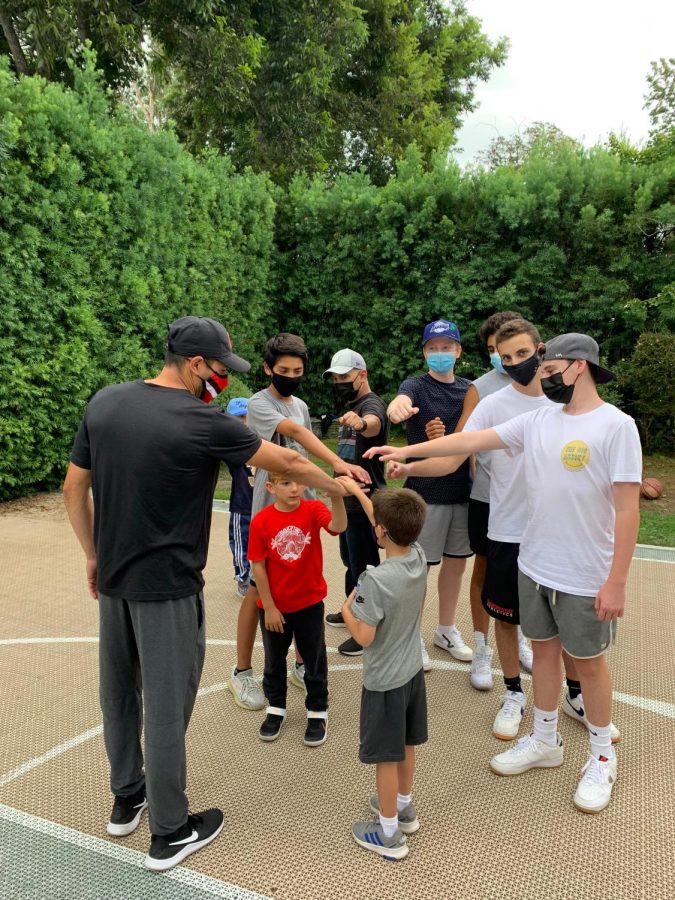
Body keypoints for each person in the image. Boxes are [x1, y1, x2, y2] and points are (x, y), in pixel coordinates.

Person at [63, 316, 347, 871]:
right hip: (166, 589)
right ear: (195, 364)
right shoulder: (202, 420)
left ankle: (128, 798)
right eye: (220, 369)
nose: (223, 380)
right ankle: (170, 831)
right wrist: (340, 478)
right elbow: (287, 461)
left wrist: (93, 554)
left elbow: (75, 486)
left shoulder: (106, 402)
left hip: (117, 581)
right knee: (166, 710)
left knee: (119, 694)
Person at [366, 332, 641, 814]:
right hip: (535, 562)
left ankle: (600, 756)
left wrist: (616, 579)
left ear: (579, 367)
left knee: (590, 662)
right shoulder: (540, 420)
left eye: (551, 369)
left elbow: (626, 510)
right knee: (548, 654)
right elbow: (471, 438)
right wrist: (406, 454)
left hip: (585, 572)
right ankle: (546, 739)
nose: (543, 376)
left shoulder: (616, 426)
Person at [228, 333, 369, 711]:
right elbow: (294, 436)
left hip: (301, 508)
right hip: (269, 510)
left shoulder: (302, 405)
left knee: (303, 581)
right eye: (283, 370)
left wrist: (320, 490)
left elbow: (301, 450)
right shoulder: (260, 404)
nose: (291, 376)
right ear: (268, 369)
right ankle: (242, 672)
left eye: (298, 371)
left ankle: (302, 665)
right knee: (261, 591)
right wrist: (337, 466)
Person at [338, 480, 428, 860]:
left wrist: (346, 610)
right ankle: (403, 808)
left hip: (383, 683)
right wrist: (360, 494)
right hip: (411, 675)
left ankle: (389, 833)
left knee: (384, 758)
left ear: (379, 532)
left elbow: (364, 637)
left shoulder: (375, 580)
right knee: (405, 745)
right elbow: (387, 522)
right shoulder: (419, 557)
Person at [387, 319, 473, 667]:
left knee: (455, 566)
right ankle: (411, 637)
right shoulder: (415, 385)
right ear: (424, 352)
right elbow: (398, 404)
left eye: (446, 347)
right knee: (419, 570)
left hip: (463, 492)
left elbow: (470, 437)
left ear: (458, 351)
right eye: (433, 348)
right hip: (424, 493)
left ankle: (446, 629)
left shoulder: (470, 390)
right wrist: (397, 409)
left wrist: (444, 438)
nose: (440, 353)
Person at [454, 311, 527, 691]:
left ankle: (524, 637)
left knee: (531, 571)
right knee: (484, 567)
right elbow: (462, 440)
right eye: (496, 350)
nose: (505, 357)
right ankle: (482, 647)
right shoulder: (480, 388)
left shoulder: (547, 384)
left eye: (513, 349)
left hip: (532, 502)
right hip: (488, 497)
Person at [249, 472, 347, 745]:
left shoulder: (313, 509)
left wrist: (336, 498)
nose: (294, 489)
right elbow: (258, 564)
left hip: (309, 604)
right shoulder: (262, 521)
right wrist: (268, 606)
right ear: (270, 487)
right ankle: (276, 707)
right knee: (274, 659)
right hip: (274, 607)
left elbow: (338, 526)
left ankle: (317, 709)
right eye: (285, 483)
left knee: (314, 658)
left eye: (298, 482)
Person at [322, 348, 388, 656]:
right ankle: (350, 611)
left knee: (366, 567)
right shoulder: (352, 404)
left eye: (345, 377)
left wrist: (362, 424)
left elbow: (373, 422)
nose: (340, 383)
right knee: (352, 562)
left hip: (364, 501)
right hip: (347, 501)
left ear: (362, 375)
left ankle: (365, 627)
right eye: (335, 378)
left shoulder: (369, 404)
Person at [225, 397, 254, 598]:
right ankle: (243, 578)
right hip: (241, 505)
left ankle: (262, 578)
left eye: (246, 417)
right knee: (239, 544)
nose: (243, 422)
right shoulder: (230, 446)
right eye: (239, 418)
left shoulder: (263, 443)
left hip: (263, 504)